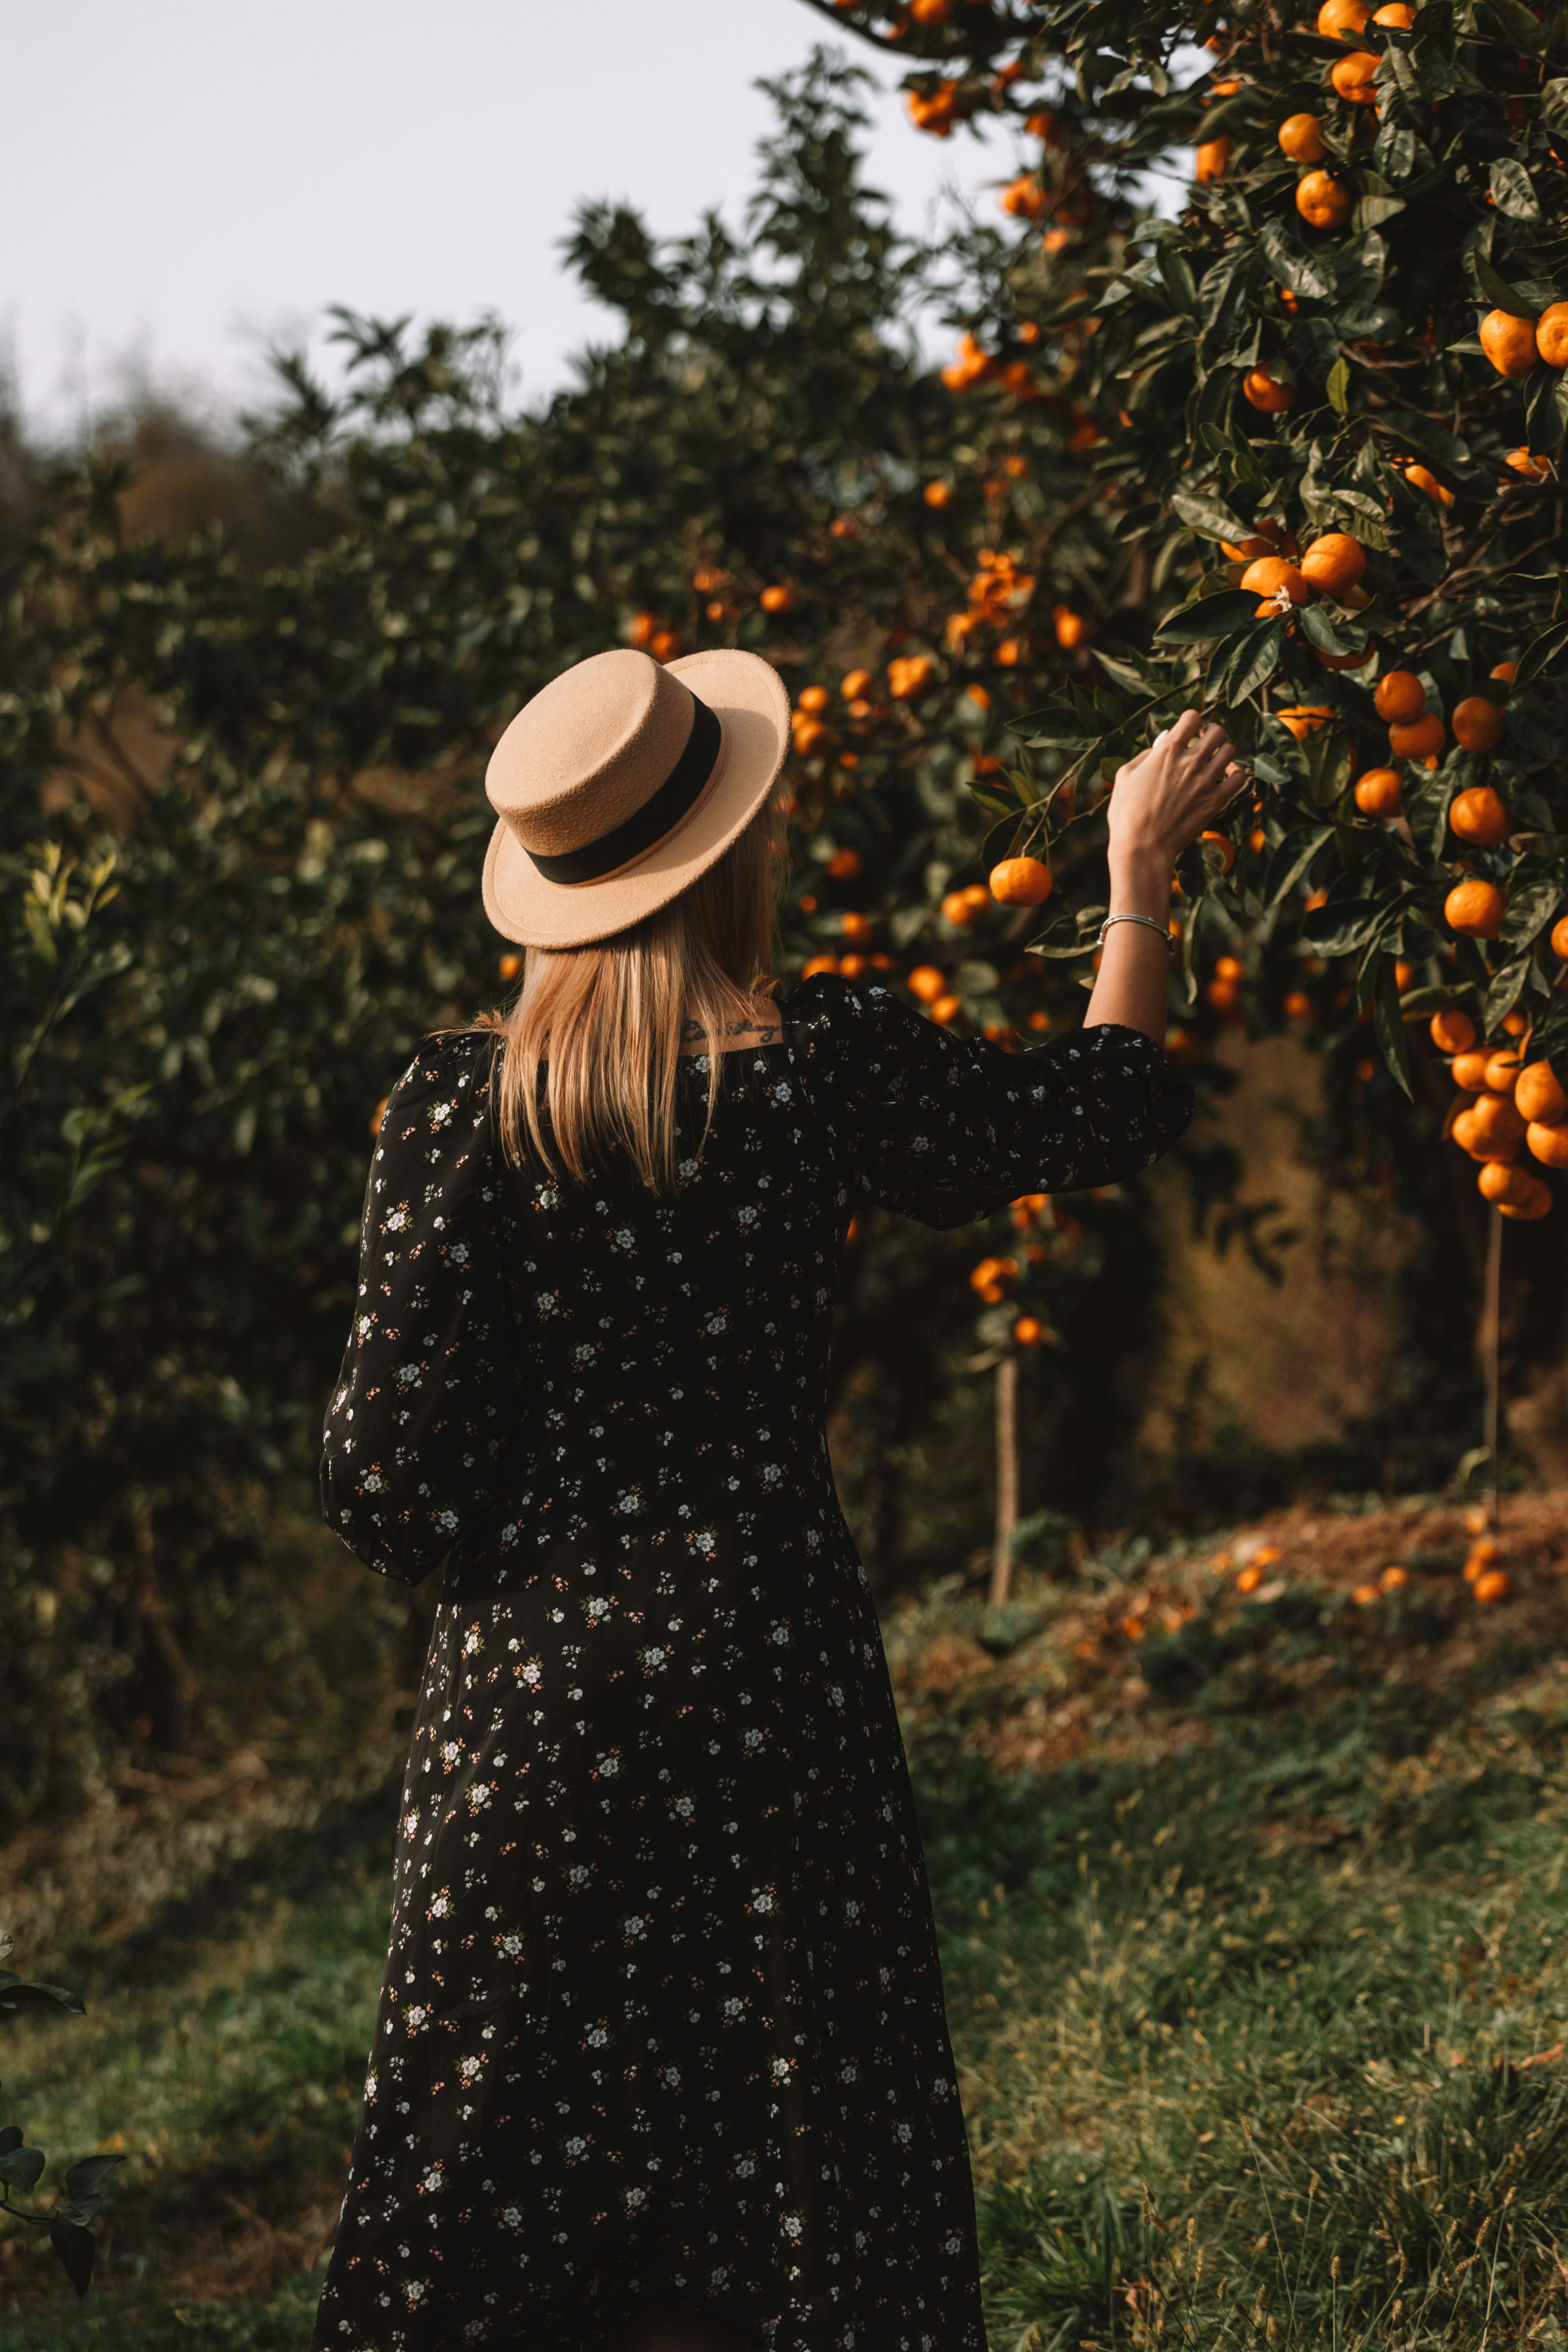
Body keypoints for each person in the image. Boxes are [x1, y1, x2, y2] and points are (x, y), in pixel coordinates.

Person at [310, 644, 1242, 2352]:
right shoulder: (822, 1064)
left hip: (531, 1712)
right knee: (795, 2159)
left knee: (498, 2177)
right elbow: (1100, 1107)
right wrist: (1137, 870)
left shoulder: (459, 1111)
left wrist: (533, 1526)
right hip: (768, 1677)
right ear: (735, 849)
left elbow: (383, 1484)